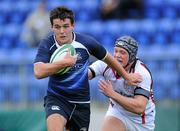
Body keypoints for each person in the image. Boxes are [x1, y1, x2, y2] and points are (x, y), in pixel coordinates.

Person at [34, 6, 142, 131]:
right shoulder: (47, 44)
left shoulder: (86, 42)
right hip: (57, 98)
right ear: (52, 27)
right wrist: (64, 63)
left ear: (73, 26)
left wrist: (126, 76)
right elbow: (38, 72)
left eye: (66, 26)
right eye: (57, 27)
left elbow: (108, 57)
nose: (62, 31)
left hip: (81, 103)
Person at [89, 36, 155, 131]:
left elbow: (139, 108)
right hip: (118, 112)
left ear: (132, 56)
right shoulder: (106, 64)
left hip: (141, 121)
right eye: (116, 51)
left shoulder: (141, 73)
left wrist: (112, 94)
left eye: (122, 52)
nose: (117, 55)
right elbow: (86, 74)